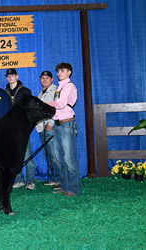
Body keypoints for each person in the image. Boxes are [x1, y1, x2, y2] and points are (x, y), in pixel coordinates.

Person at [48, 62, 80, 196]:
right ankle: (65, 186)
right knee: (60, 158)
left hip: (67, 124)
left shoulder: (69, 86)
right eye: (58, 71)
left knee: (69, 159)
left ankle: (73, 189)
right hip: (57, 124)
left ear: (69, 72)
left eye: (62, 71)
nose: (59, 73)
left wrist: (44, 104)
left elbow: (61, 103)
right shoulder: (59, 88)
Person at [4, 68, 36, 190]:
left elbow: (31, 109)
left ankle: (30, 180)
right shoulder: (4, 92)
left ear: (17, 76)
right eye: (8, 76)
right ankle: (19, 179)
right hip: (10, 129)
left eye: (12, 75)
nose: (10, 77)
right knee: (14, 155)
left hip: (22, 128)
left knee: (27, 153)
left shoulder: (25, 91)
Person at [35, 71, 60, 190]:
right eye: (42, 78)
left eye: (47, 78)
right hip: (42, 128)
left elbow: (57, 108)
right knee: (48, 154)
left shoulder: (55, 91)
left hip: (49, 127)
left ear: (51, 79)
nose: (44, 80)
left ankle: (60, 179)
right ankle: (54, 178)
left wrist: (51, 123)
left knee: (54, 154)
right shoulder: (42, 92)